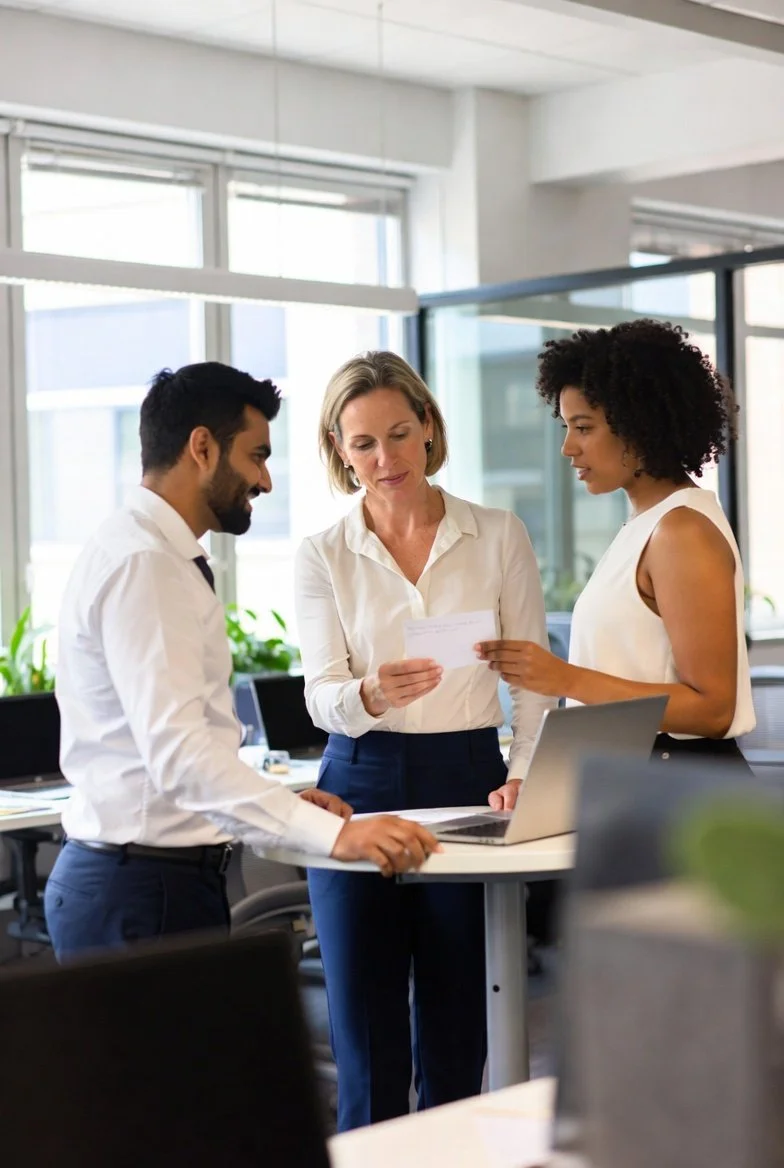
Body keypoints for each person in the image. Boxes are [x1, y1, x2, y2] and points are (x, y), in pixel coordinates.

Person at [44, 361, 438, 962]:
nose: (266, 481)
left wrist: (278, 807)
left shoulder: (151, 554)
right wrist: (335, 836)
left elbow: (178, 753)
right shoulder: (146, 566)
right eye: (257, 456)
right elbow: (181, 758)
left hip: (152, 880)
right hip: (144, 889)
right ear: (202, 448)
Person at [294, 351, 552, 1132]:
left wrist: (526, 775)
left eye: (400, 435)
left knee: (456, 1026)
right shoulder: (322, 553)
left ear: (429, 428)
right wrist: (369, 693)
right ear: (339, 448)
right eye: (364, 443)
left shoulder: (497, 534)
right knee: (366, 1039)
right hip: (358, 783)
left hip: (467, 773)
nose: (385, 459)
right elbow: (320, 696)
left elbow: (533, 680)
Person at [476, 318, 755, 798]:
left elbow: (713, 710)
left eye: (583, 427)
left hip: (678, 787)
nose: (568, 447)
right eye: (566, 427)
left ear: (639, 423)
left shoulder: (680, 531)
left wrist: (564, 677)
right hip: (637, 779)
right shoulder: (644, 526)